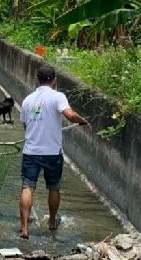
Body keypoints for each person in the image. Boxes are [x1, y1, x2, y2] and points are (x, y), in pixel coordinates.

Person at [18, 64, 92, 239]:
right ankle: (52, 221)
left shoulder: (28, 100)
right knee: (53, 187)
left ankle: (24, 229)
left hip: (31, 152)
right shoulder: (58, 96)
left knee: (27, 187)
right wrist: (83, 121)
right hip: (52, 153)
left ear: (37, 80)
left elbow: (25, 124)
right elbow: (68, 114)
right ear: (54, 80)